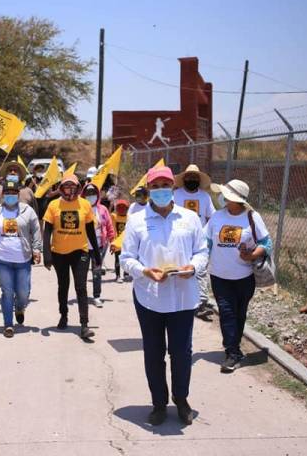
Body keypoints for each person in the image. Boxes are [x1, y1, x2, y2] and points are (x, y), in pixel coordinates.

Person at [120, 166, 208, 426]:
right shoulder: (137, 220)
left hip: (182, 297)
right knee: (153, 352)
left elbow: (202, 251)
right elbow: (127, 258)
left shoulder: (189, 218)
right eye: (155, 186)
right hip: (149, 297)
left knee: (181, 352)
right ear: (148, 189)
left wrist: (193, 268)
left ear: (173, 187)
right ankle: (159, 403)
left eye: (165, 185)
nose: (160, 190)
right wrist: (144, 271)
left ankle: (181, 399)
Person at [205, 179, 272, 373]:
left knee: (239, 314)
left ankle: (234, 347)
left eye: (227, 195)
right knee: (226, 312)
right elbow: (206, 242)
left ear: (237, 200)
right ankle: (232, 352)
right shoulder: (216, 217)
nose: (224, 198)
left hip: (244, 277)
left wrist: (251, 255)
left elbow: (266, 243)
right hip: (219, 276)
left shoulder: (252, 217)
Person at [42, 174, 101, 340]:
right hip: (59, 253)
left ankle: (84, 324)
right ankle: (64, 315)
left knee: (81, 287)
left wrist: (97, 254)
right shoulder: (53, 205)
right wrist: (47, 255)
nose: (70, 189)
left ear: (78, 188)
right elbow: (47, 232)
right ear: (61, 188)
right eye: (66, 186)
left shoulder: (85, 205)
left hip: (80, 252)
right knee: (63, 286)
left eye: (73, 186)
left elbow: (90, 231)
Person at [0, 181, 42, 337]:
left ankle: (20, 306)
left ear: (18, 194)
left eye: (13, 193)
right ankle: (8, 324)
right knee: (7, 291)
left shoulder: (27, 210)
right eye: (7, 193)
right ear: (2, 195)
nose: (10, 196)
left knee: (23, 291)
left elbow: (36, 230)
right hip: (1, 258)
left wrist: (37, 249)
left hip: (23, 258)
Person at [173, 164, 216, 320]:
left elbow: (212, 217)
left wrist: (207, 234)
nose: (192, 179)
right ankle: (181, 300)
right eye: (189, 177)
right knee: (182, 268)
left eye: (194, 177)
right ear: (184, 178)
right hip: (180, 238)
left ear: (199, 180)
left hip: (199, 239)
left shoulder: (205, 197)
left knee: (200, 269)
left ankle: (201, 303)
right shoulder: (176, 195)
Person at [82, 183, 115, 308]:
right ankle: (82, 295)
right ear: (84, 195)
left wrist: (112, 241)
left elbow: (109, 226)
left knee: (96, 272)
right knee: (82, 273)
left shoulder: (103, 210)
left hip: (99, 246)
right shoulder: (80, 208)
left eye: (93, 193)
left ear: (97, 195)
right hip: (83, 247)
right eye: (88, 193)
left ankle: (97, 296)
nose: (91, 196)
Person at [110, 199, 131, 282]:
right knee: (117, 259)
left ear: (127, 208)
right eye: (119, 207)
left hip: (127, 243)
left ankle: (126, 274)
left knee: (127, 259)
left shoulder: (129, 218)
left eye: (124, 207)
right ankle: (117, 276)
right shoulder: (114, 217)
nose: (122, 209)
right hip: (117, 243)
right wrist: (112, 242)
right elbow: (112, 229)